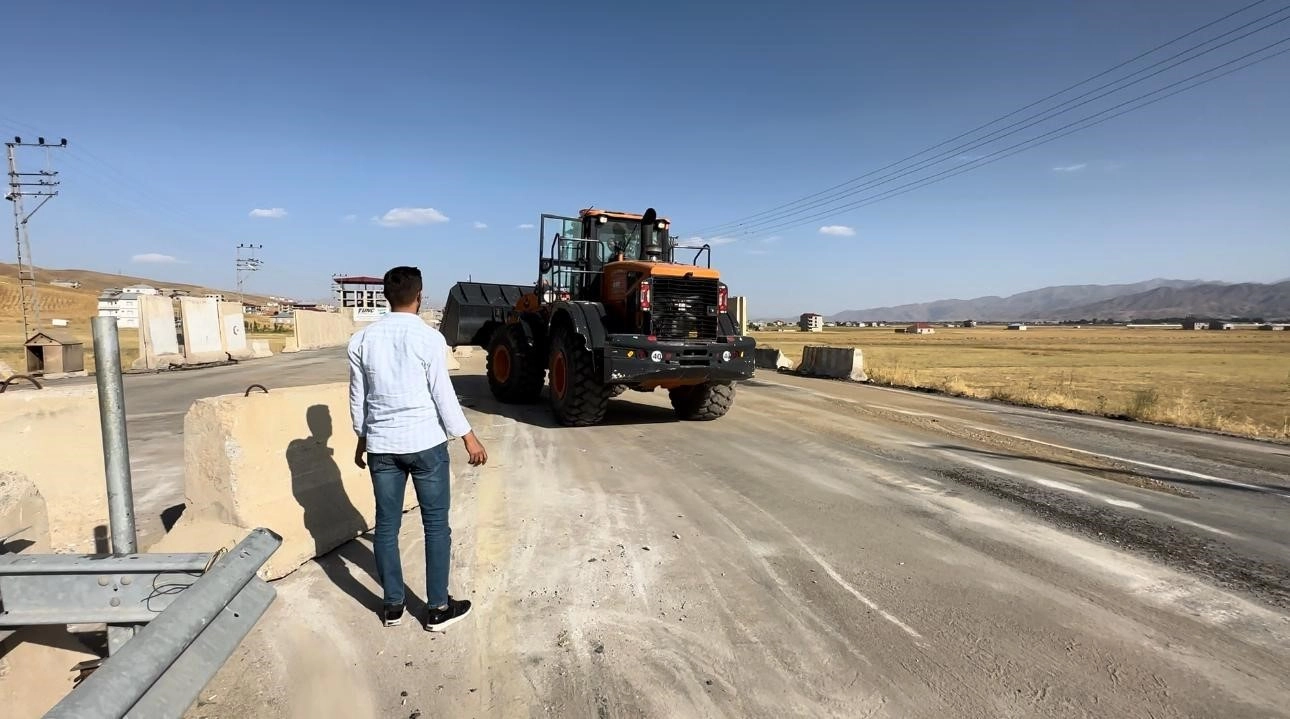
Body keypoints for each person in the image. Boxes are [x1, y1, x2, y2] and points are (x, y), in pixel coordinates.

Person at [347, 265, 488, 631]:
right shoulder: (429, 339)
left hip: (382, 446)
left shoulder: (362, 341)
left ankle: (392, 606)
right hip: (425, 444)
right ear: (420, 295)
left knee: (386, 527)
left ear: (385, 297)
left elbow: (358, 398)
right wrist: (468, 436)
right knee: (436, 526)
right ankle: (438, 608)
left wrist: (362, 437)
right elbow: (443, 395)